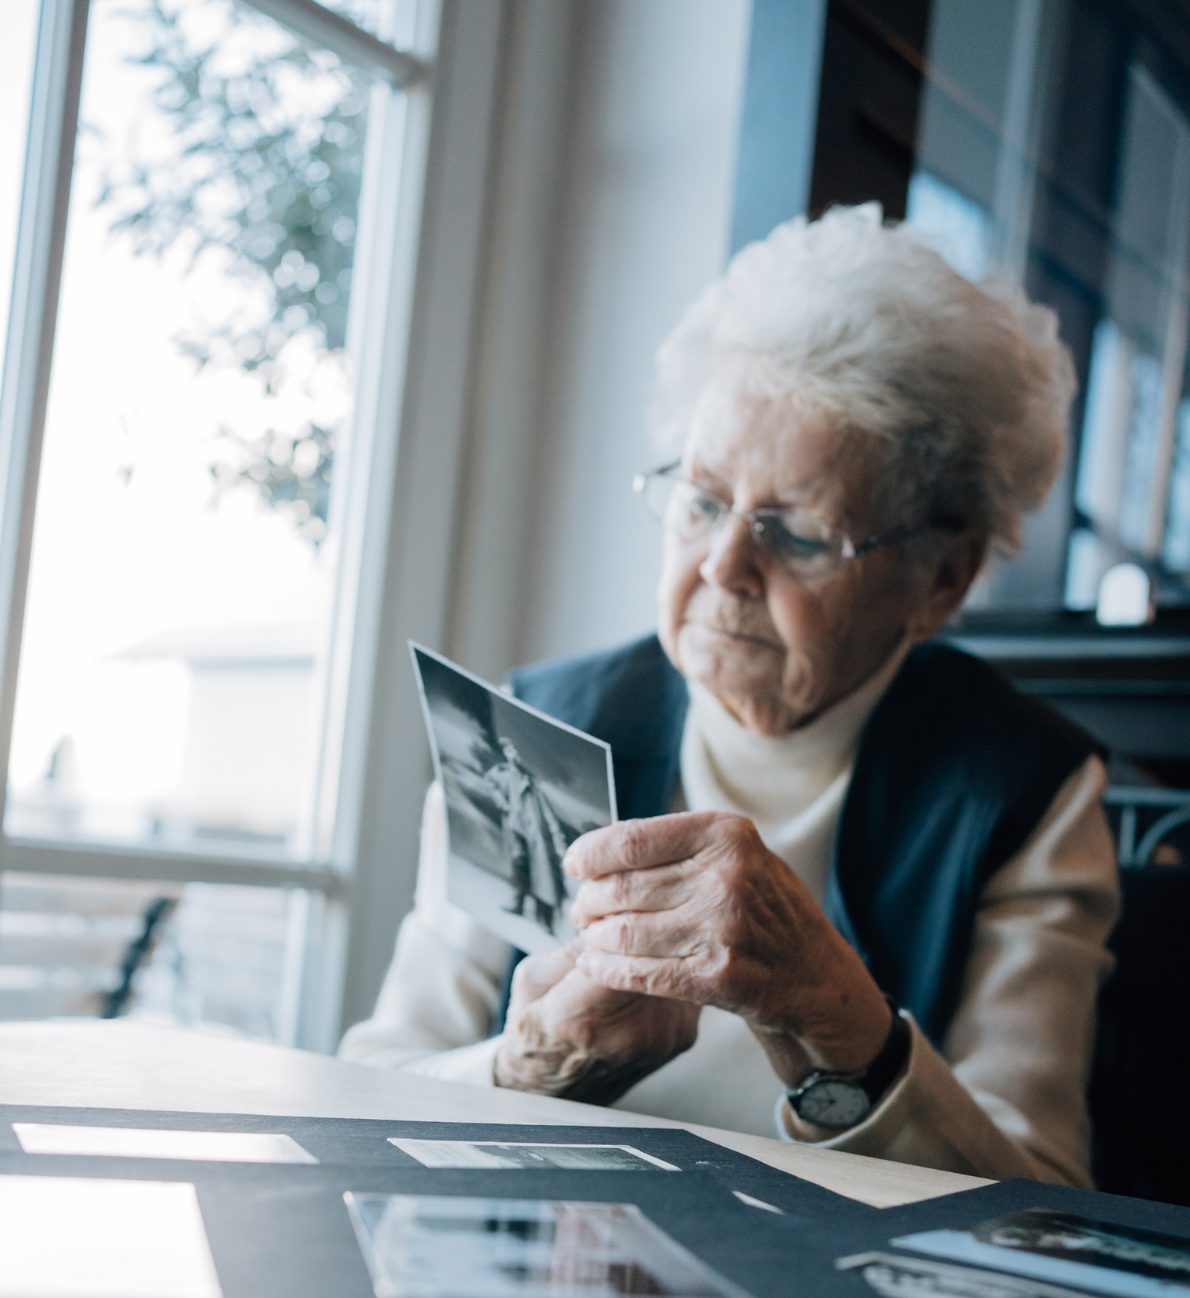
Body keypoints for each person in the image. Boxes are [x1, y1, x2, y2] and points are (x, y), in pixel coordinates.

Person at [341, 205, 1119, 1186]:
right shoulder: (527, 728)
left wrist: (841, 1021)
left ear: (940, 579)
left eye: (793, 532)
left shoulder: (1022, 790)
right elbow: (370, 1088)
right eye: (701, 502)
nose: (721, 566)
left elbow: (1039, 1203)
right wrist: (523, 1069)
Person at [484, 736, 568, 932]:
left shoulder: (531, 783)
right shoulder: (501, 774)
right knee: (519, 866)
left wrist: (558, 840)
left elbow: (548, 816)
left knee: (543, 875)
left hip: (535, 836)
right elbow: (490, 782)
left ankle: (545, 918)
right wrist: (502, 803)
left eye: (516, 751)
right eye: (510, 750)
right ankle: (518, 902)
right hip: (515, 829)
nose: (514, 754)